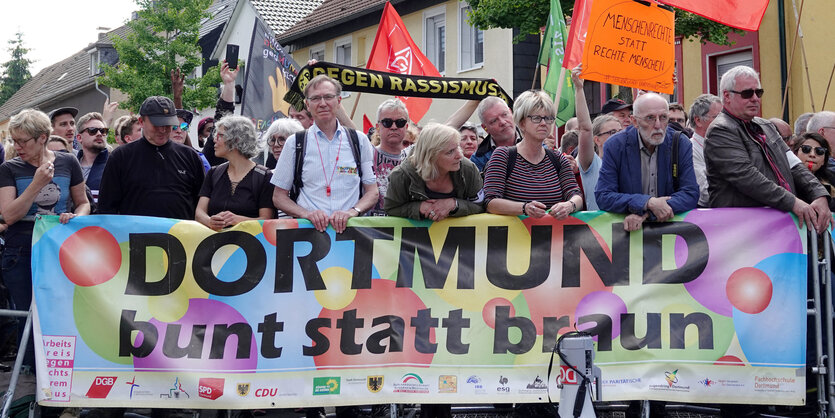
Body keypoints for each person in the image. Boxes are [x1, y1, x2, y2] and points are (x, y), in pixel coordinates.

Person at [0, 109, 90, 370]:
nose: (16, 147)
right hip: (20, 252)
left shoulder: (68, 162)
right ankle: (29, 379)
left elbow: (84, 203)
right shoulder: (9, 168)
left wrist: (76, 216)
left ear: (42, 138)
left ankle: (59, 372)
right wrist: (37, 183)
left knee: (59, 313)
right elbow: (10, 214)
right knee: (25, 317)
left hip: (59, 250)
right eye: (13, 141)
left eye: (22, 141)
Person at [704, 65, 830, 233]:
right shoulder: (720, 130)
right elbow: (747, 177)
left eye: (759, 93)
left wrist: (819, 194)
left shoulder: (767, 126)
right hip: (741, 231)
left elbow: (794, 164)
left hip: (777, 227)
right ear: (727, 96)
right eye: (747, 93)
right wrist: (793, 202)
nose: (755, 98)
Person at [270, 75, 378, 234]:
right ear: (307, 104)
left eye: (328, 97)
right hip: (309, 237)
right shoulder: (295, 143)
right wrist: (306, 214)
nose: (322, 103)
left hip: (351, 237)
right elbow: (279, 197)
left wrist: (353, 211)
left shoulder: (359, 140)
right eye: (315, 98)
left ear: (339, 101)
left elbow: (372, 192)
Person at [595, 92, 699, 231]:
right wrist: (646, 203)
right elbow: (604, 196)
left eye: (663, 118)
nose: (658, 125)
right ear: (634, 121)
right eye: (650, 118)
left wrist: (647, 214)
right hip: (628, 237)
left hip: (671, 235)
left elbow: (690, 193)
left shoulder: (680, 143)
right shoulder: (615, 145)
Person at [98, 96, 205, 219]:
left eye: (168, 124)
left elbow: (202, 205)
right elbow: (106, 207)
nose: (163, 129)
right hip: (134, 235)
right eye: (157, 124)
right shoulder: (121, 157)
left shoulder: (190, 156)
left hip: (180, 236)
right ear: (141, 122)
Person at [483, 90, 583, 219]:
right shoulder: (503, 156)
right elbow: (490, 202)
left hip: (553, 237)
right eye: (536, 118)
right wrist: (524, 208)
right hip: (516, 237)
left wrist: (569, 205)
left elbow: (576, 195)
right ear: (522, 123)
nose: (543, 123)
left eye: (548, 118)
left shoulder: (557, 159)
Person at [385, 123, 483, 220]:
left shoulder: (468, 169)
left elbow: (481, 206)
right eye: (450, 152)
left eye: (458, 147)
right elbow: (390, 209)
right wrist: (418, 208)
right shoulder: (402, 175)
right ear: (431, 156)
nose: (459, 155)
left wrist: (455, 204)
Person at [196, 116, 274, 230]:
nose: (214, 140)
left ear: (236, 139)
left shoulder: (264, 176)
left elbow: (267, 220)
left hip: (250, 246)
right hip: (215, 245)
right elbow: (199, 213)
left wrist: (238, 220)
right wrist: (210, 221)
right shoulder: (213, 173)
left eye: (220, 135)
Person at [573, 69, 624, 211]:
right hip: (596, 232)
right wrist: (579, 88)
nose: (618, 136)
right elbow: (585, 128)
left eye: (620, 132)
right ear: (597, 140)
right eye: (612, 132)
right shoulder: (592, 164)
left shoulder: (629, 162)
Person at [369, 99, 409, 215]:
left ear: (406, 126)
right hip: (371, 230)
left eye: (400, 122)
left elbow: (444, 131)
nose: (394, 127)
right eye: (387, 122)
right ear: (377, 127)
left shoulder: (414, 155)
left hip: (406, 228)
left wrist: (466, 104)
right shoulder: (367, 152)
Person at [687, 94, 722, 207]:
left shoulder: (724, 145)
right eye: (717, 117)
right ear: (698, 120)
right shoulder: (690, 149)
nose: (724, 122)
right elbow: (705, 193)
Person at [793, 133, 835, 210]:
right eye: (806, 149)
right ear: (795, 154)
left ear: (823, 161)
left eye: (819, 151)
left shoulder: (832, 180)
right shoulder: (786, 181)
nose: (812, 155)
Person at [75, 112, 110, 202]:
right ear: (79, 137)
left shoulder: (115, 164)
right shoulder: (71, 165)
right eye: (92, 130)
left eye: (103, 131)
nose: (99, 134)